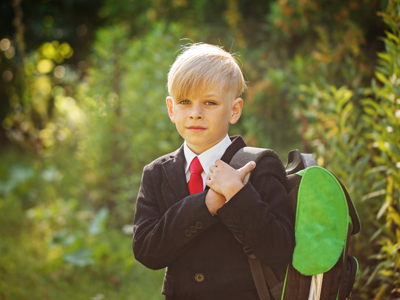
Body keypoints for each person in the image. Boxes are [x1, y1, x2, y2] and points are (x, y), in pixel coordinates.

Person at [132, 43, 295, 300]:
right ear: (171, 109)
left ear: (234, 110)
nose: (196, 114)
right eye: (185, 102)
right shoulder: (156, 173)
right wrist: (205, 204)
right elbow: (147, 251)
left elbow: (281, 250)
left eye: (210, 102)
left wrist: (237, 193)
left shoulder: (259, 165)